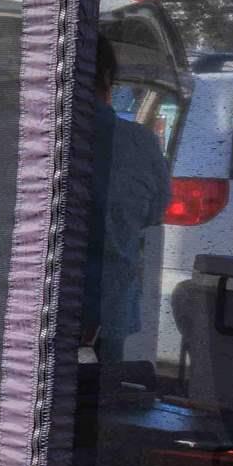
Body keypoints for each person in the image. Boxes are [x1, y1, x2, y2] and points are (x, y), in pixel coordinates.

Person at [84, 34, 174, 366]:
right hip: (106, 309)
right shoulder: (140, 145)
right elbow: (154, 213)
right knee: (99, 387)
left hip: (16, 308)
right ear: (108, 78)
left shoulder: (14, 137)